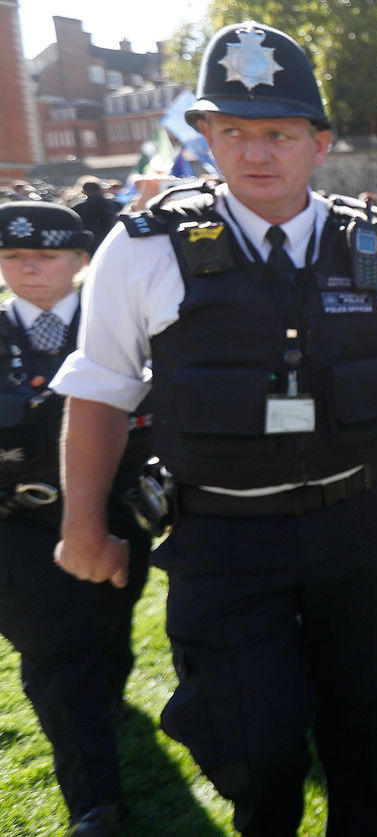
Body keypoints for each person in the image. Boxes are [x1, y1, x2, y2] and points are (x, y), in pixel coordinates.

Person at [50, 21, 377, 837]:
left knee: (364, 731)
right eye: (235, 132)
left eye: (280, 133)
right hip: (222, 534)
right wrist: (83, 526)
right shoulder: (144, 250)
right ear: (207, 136)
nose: (257, 154)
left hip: (356, 524)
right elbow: (100, 394)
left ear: (319, 142)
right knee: (258, 744)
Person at [0, 202, 152, 837]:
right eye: (13, 257)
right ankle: (96, 802)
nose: (30, 269)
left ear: (82, 260)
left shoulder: (120, 326)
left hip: (115, 512)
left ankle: (110, 692)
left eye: (46, 256)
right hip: (15, 523)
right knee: (55, 654)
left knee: (109, 623)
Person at [70, 178, 121, 254]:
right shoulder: (114, 204)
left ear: (84, 191)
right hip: (112, 239)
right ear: (100, 189)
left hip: (90, 243)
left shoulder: (79, 207)